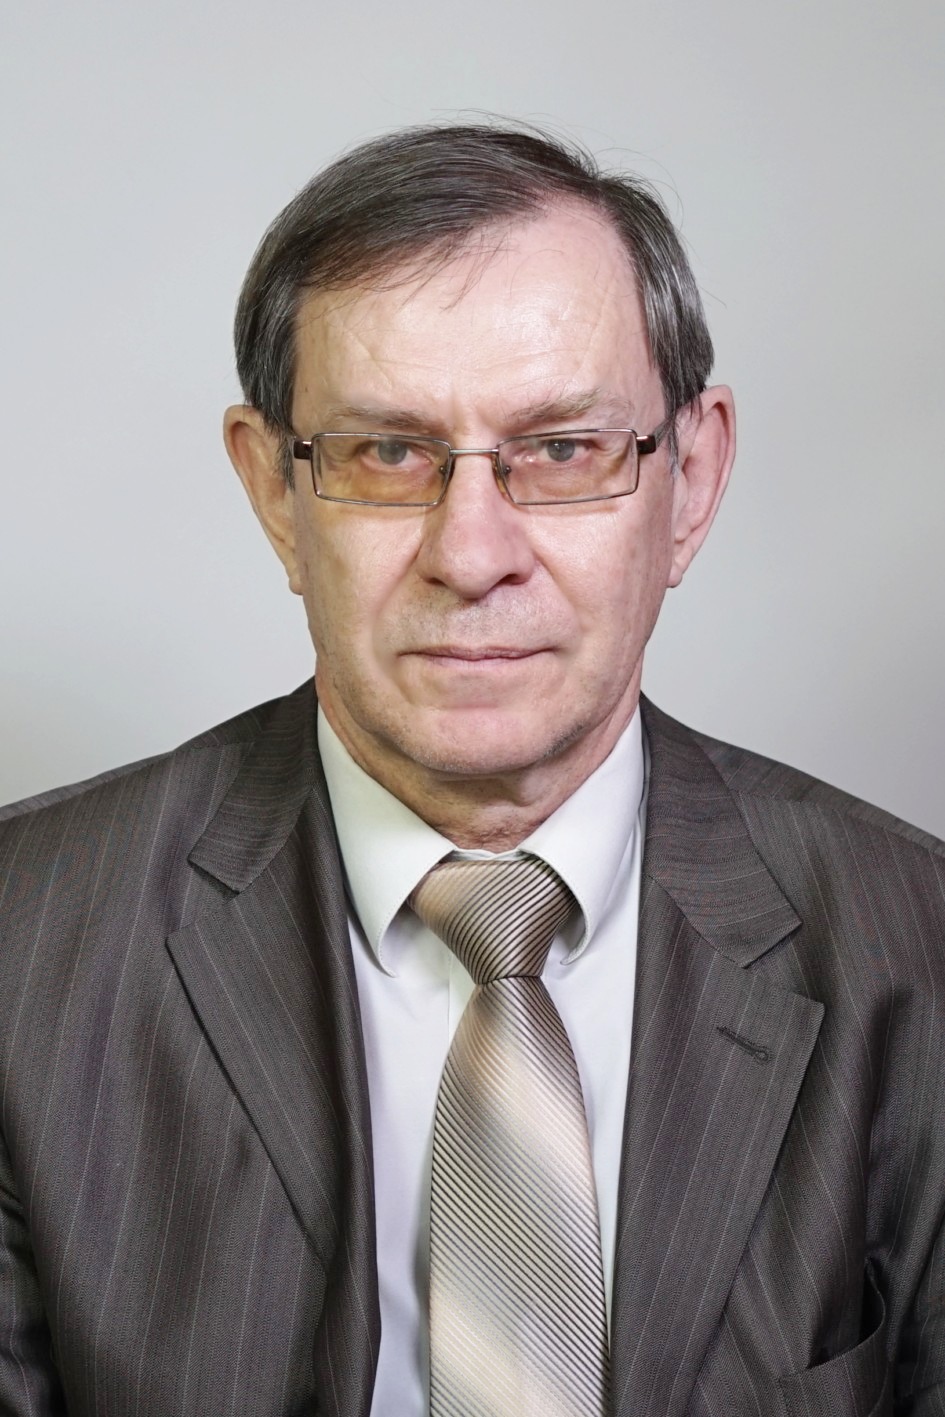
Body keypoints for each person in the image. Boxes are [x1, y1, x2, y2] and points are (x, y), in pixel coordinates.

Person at [0, 122, 942, 1417]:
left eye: (561, 450)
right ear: (275, 493)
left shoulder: (918, 950)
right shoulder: (22, 948)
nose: (472, 552)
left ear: (691, 480)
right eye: (387, 453)